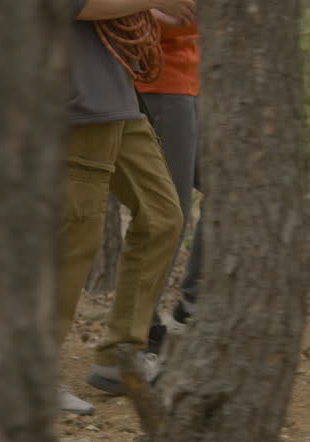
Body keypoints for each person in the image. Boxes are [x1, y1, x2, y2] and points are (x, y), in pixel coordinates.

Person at [59, 0, 196, 416]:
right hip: (76, 97)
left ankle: (120, 354)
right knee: (75, 235)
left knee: (163, 215)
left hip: (117, 96)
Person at [137, 21, 201, 355]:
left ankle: (192, 304)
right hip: (161, 81)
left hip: (191, 82)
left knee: (236, 191)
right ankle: (141, 333)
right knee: (169, 211)